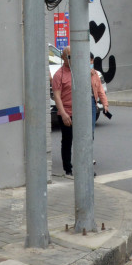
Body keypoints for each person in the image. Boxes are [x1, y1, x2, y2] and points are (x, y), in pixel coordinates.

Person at [51, 47, 75, 178]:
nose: (72, 59)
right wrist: (64, 113)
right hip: (66, 113)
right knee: (67, 140)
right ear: (63, 58)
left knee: (84, 140)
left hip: (80, 113)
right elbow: (57, 96)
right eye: (69, 56)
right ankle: (68, 169)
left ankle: (83, 166)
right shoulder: (58, 75)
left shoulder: (79, 70)